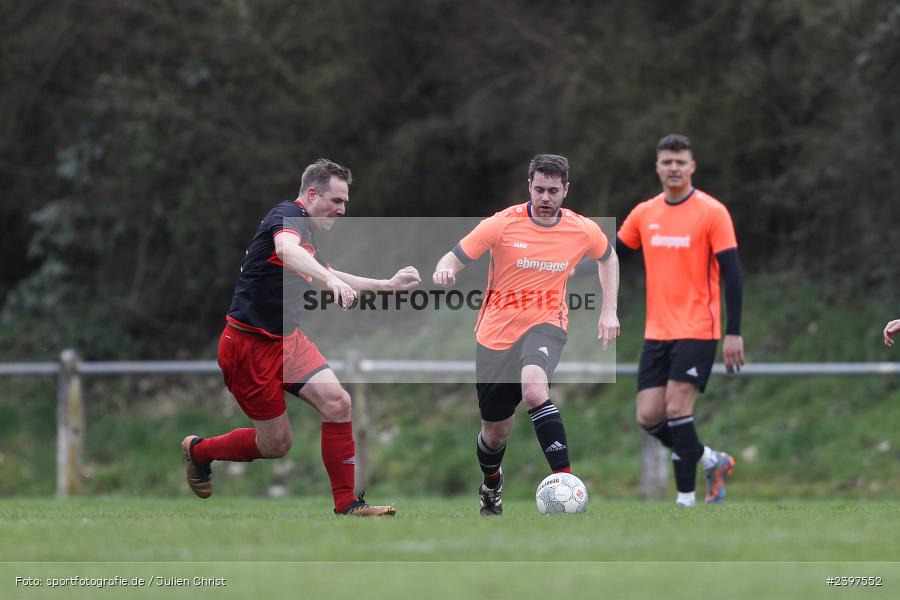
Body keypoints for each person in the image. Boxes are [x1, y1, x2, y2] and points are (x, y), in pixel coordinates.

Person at [181, 158, 420, 516]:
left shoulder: (305, 233)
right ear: (311, 194)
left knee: (338, 403)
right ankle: (200, 452)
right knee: (276, 444)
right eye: (336, 202)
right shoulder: (287, 215)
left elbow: (325, 271)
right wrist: (330, 282)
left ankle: (347, 505)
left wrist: (387, 285)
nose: (342, 210)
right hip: (248, 346)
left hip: (286, 341)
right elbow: (285, 252)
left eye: (345, 204)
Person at [432, 154, 620, 516]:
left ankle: (565, 482)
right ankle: (491, 485)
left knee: (535, 390)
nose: (545, 197)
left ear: (566, 190)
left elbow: (608, 258)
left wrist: (609, 310)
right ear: (529, 187)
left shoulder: (582, 229)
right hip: (495, 335)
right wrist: (445, 272)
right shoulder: (501, 224)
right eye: (539, 190)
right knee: (495, 433)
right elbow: (451, 258)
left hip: (547, 324)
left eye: (553, 190)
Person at [617, 134, 744, 507]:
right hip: (657, 331)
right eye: (667, 162)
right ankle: (711, 461)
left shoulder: (712, 212)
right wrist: (564, 269)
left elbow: (733, 275)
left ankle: (685, 502)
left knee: (676, 410)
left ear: (692, 167)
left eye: (680, 161)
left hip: (698, 329)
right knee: (649, 415)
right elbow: (613, 255)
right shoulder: (644, 213)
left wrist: (733, 332)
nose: (674, 168)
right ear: (657, 167)